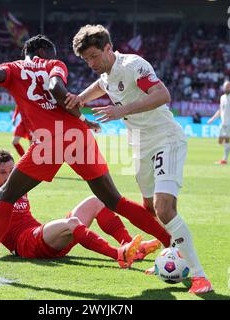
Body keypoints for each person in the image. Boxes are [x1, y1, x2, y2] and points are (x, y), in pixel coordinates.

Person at [0, 34, 172, 279]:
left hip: (49, 141)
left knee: (5, 195)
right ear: (44, 52)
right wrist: (81, 118)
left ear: (27, 53)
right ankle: (170, 241)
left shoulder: (13, 68)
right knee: (113, 200)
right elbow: (56, 87)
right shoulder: (54, 66)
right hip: (77, 136)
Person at [65, 24, 212, 294]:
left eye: (95, 56)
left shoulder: (133, 65)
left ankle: (200, 276)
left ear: (109, 48)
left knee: (165, 208)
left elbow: (162, 95)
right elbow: (102, 85)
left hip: (165, 138)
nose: (91, 63)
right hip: (140, 145)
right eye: (86, 59)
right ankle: (171, 256)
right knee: (149, 208)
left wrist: (121, 110)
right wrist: (81, 99)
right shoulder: (107, 74)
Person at [0, 149, 161, 270]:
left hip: (42, 236)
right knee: (72, 224)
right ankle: (118, 254)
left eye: (12, 171)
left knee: (95, 201)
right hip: (25, 245)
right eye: (3, 173)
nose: (9, 177)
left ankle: (131, 247)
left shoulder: (18, 183)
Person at [207, 81, 230, 165]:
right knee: (220, 141)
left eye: (228, 87)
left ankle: (224, 160)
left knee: (226, 140)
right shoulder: (222, 97)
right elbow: (220, 110)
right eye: (225, 87)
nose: (226, 88)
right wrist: (212, 119)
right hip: (223, 122)